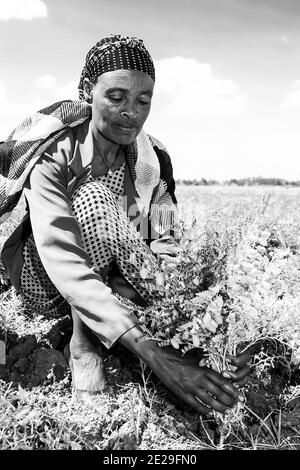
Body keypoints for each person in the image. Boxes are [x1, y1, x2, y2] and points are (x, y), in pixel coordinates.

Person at [0, 35, 251, 416]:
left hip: (115, 282)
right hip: (49, 283)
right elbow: (60, 253)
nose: (130, 112)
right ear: (88, 91)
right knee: (94, 199)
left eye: (142, 100)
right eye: (116, 97)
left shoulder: (154, 160)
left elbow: (165, 237)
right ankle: (83, 346)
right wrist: (158, 357)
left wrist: (199, 330)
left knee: (197, 273)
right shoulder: (55, 151)